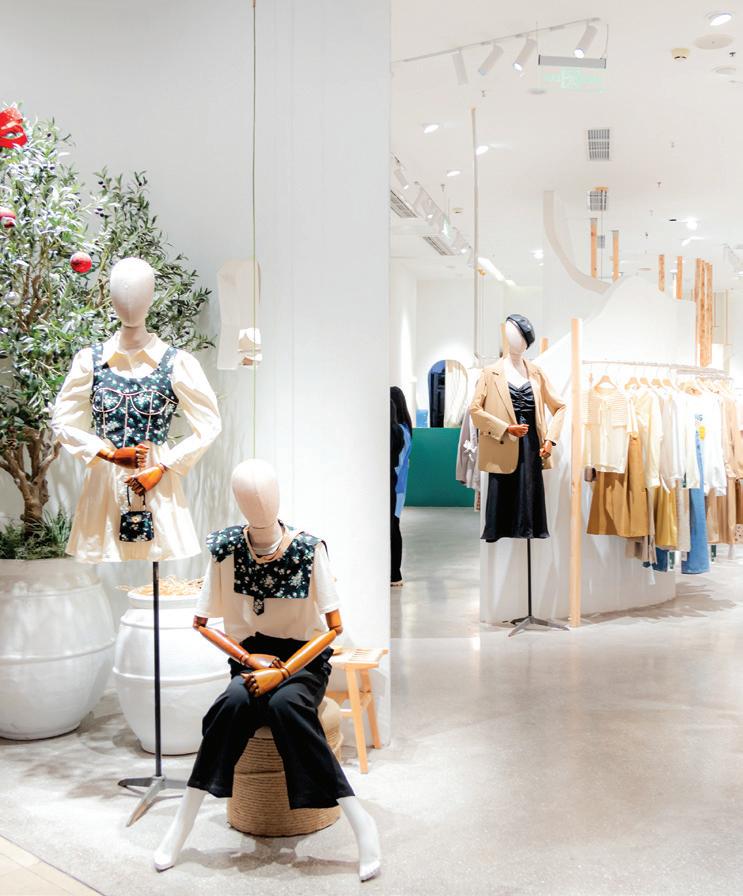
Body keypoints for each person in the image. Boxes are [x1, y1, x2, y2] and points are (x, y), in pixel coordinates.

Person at [390, 387, 413, 586]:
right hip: (398, 485)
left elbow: (397, 461)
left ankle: (395, 574)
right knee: (393, 526)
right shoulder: (404, 429)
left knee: (393, 527)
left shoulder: (400, 431)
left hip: (396, 485)